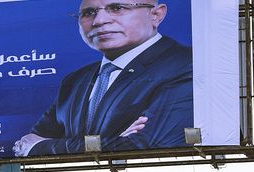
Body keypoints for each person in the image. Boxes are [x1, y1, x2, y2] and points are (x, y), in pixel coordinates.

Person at [13, 0, 192, 157]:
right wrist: (114, 142)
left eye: (117, 8)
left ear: (156, 14)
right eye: (89, 13)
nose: (99, 21)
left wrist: (43, 148)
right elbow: (27, 143)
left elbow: (145, 146)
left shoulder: (187, 64)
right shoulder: (75, 81)